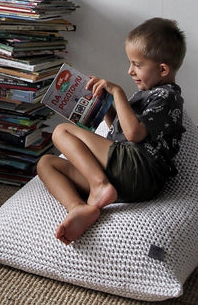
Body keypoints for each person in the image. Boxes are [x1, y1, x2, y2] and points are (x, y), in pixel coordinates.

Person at [37, 17, 186, 246]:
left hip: (139, 169)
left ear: (163, 69)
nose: (130, 71)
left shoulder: (167, 96)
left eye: (137, 64)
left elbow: (134, 135)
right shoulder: (147, 94)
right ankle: (79, 208)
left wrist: (117, 92)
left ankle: (99, 185)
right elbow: (120, 130)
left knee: (61, 131)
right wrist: (104, 106)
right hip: (125, 179)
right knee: (46, 164)